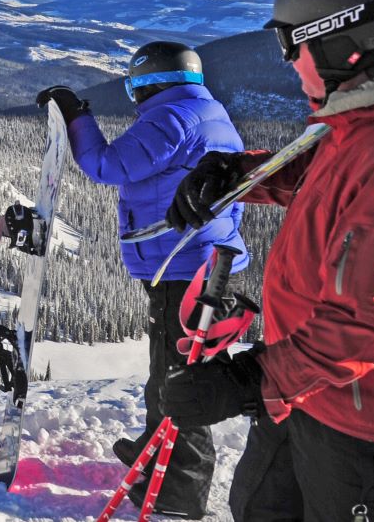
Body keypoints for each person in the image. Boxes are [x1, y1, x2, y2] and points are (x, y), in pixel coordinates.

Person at [160, 0, 374, 521]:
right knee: (258, 507)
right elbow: (322, 183)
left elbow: (365, 325)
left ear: (339, 47)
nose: (287, 61)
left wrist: (247, 380)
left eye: (292, 44)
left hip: (373, 426)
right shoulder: (365, 122)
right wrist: (235, 173)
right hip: (312, 392)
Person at [35, 41, 249, 519]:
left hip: (183, 266)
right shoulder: (205, 111)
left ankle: (178, 495)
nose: (133, 95)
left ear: (149, 81)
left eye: (134, 85)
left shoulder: (172, 118)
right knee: (171, 375)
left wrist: (77, 114)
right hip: (196, 263)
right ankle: (158, 456)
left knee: (183, 382)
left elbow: (106, 165)